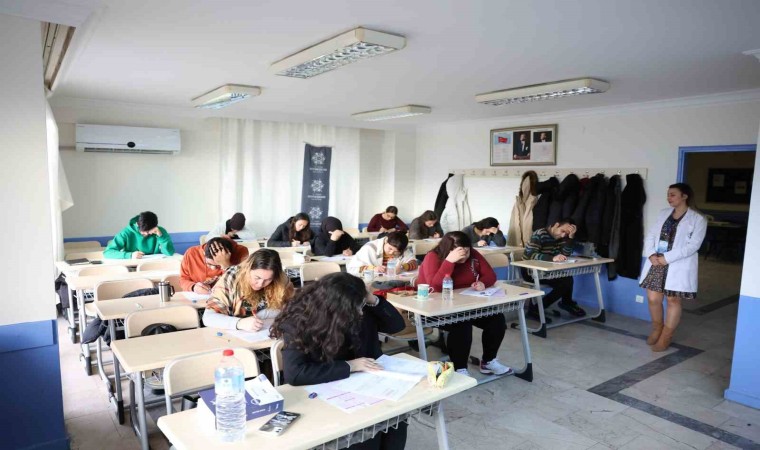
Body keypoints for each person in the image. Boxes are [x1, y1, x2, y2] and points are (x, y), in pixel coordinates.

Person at [271, 272, 407, 449]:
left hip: (369, 385)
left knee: (397, 422)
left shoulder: (358, 306)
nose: (360, 312)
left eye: (361, 305)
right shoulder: (299, 322)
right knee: (366, 438)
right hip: (327, 392)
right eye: (356, 307)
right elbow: (295, 374)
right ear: (335, 306)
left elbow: (397, 326)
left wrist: (371, 299)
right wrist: (350, 366)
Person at [416, 231, 512, 376]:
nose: (465, 256)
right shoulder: (433, 256)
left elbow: (490, 275)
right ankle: (460, 368)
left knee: (497, 320)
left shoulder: (473, 254)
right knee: (462, 324)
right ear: (449, 250)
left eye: (467, 251)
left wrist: (483, 283)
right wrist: (449, 262)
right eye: (461, 252)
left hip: (467, 304)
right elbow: (434, 287)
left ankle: (488, 361)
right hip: (437, 308)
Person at [639, 183, 707, 352]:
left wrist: (667, 258)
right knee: (653, 299)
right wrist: (651, 254)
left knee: (673, 300)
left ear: (684, 196)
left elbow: (693, 246)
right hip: (656, 262)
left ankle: (666, 336)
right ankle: (657, 328)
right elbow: (651, 235)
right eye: (668, 194)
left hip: (677, 263)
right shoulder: (664, 213)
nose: (668, 198)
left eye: (673, 195)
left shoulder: (698, 219)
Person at [204, 248, 295, 330]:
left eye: (268, 280)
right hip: (235, 333)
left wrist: (264, 314)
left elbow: (294, 308)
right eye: (257, 278)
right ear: (247, 269)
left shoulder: (280, 279)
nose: (261, 284)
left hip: (267, 329)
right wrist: (239, 323)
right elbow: (208, 318)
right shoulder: (232, 278)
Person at [522, 218, 586, 321]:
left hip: (546, 271)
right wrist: (552, 258)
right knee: (565, 282)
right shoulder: (540, 234)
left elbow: (566, 254)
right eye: (563, 231)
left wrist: (570, 238)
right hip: (530, 271)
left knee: (567, 278)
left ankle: (566, 302)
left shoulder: (562, 237)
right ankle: (536, 309)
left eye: (566, 233)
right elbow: (530, 255)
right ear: (556, 225)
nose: (563, 235)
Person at [179, 237, 249, 293]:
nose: (213, 269)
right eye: (209, 264)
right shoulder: (191, 253)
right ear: (204, 253)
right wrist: (193, 287)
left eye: (218, 265)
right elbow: (183, 279)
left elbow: (242, 283)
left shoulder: (241, 252)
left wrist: (226, 265)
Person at [104, 211, 175, 259]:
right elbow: (108, 253)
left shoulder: (160, 231)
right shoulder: (125, 233)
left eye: (149, 231)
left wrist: (161, 237)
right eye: (144, 231)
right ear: (137, 224)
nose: (146, 234)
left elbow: (170, 253)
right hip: (133, 267)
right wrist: (130, 255)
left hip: (156, 265)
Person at [347, 231, 417, 276]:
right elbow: (352, 269)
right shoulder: (369, 248)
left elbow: (414, 263)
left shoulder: (401, 249)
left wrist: (402, 267)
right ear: (386, 240)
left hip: (394, 281)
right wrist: (373, 268)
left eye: (396, 252)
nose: (391, 253)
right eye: (390, 249)